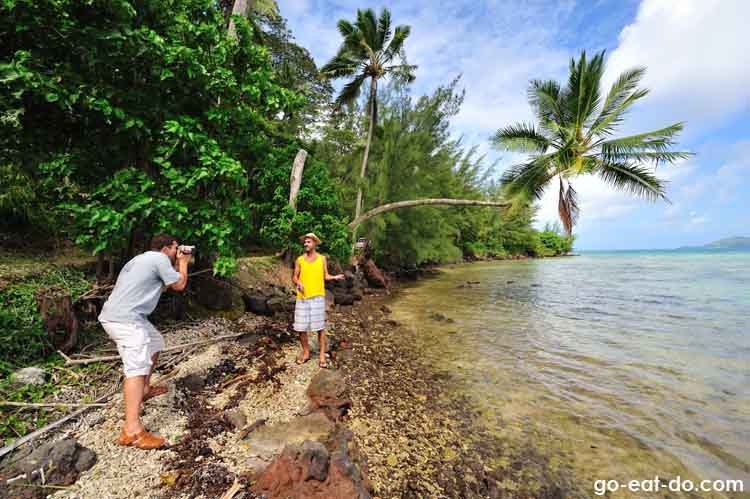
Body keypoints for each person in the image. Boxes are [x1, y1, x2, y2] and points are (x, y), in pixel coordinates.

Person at [98, 234, 190, 449]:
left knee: (155, 342)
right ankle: (132, 431)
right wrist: (183, 264)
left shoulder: (140, 259)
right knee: (136, 368)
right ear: (166, 248)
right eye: (175, 248)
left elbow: (163, 286)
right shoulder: (159, 259)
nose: (177, 252)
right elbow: (179, 285)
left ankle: (145, 389)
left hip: (124, 317)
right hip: (125, 321)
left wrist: (176, 264)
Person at [293, 232, 344, 368]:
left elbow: (325, 276)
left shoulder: (322, 259)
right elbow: (295, 277)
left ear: (315, 243)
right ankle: (306, 353)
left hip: (317, 297)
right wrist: (298, 283)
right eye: (305, 242)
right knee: (300, 327)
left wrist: (334, 277)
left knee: (320, 328)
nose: (306, 244)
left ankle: (321, 355)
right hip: (302, 298)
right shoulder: (299, 260)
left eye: (308, 242)